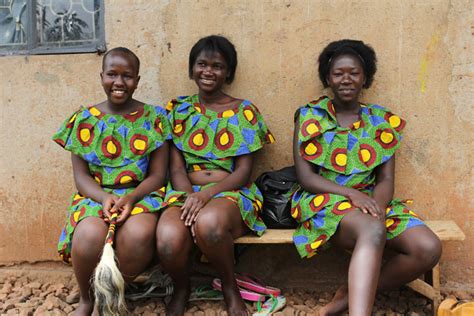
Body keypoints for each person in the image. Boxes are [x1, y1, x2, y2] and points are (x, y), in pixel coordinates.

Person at [291, 39, 442, 316]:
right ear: (327, 77)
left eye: (354, 73)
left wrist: (379, 209)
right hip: (324, 200)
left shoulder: (381, 122)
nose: (346, 80)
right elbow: (305, 178)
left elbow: (385, 180)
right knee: (373, 230)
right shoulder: (310, 116)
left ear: (366, 78)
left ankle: (347, 296)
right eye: (338, 73)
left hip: (372, 202)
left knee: (428, 248)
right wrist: (353, 195)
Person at [156, 35, 274, 316]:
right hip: (186, 191)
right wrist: (190, 196)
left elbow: (244, 173)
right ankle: (182, 287)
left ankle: (230, 287)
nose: (208, 71)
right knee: (168, 239)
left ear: (228, 72)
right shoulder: (178, 110)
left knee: (209, 224)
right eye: (202, 64)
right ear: (192, 68)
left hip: (232, 192)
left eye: (218, 66)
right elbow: (176, 168)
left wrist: (205, 195)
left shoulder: (244, 112)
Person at [52, 47, 171, 315]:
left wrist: (131, 197)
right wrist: (104, 198)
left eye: (127, 76)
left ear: (138, 80)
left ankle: (113, 292)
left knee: (138, 235)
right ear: (101, 76)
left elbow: (157, 175)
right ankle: (87, 297)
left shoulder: (155, 119)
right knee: (87, 235)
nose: (119, 82)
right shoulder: (83, 121)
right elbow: (81, 178)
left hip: (141, 195)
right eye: (112, 74)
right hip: (95, 196)